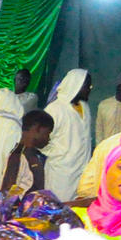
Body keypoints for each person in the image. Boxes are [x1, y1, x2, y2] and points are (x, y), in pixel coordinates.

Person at [41, 69, 92, 200]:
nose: (90, 89)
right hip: (61, 173)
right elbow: (39, 138)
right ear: (77, 85)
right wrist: (57, 152)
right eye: (88, 85)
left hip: (82, 171)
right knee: (58, 208)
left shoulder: (85, 107)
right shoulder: (55, 109)